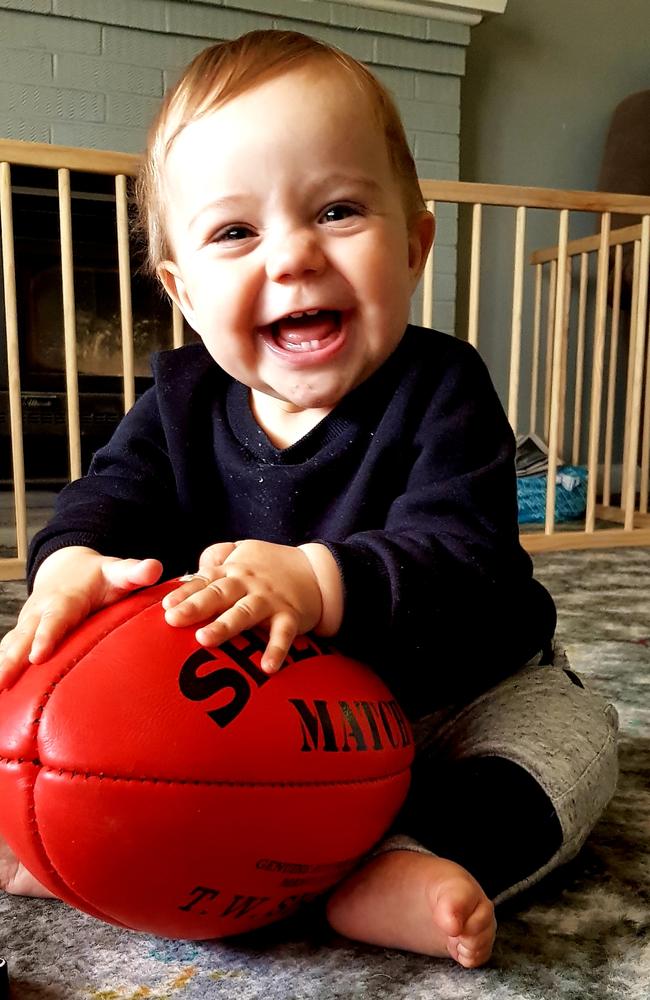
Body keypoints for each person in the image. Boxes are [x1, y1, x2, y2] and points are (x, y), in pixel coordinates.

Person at [0, 29, 618, 967]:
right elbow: (106, 497)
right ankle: (85, 843)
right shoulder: (178, 401)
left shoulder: (442, 386)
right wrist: (72, 566)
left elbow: (467, 552)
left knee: (569, 742)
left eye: (336, 211)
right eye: (235, 232)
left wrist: (320, 581)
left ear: (414, 247)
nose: (291, 257)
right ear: (183, 291)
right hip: (276, 711)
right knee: (78, 728)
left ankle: (416, 859)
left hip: (456, 687)